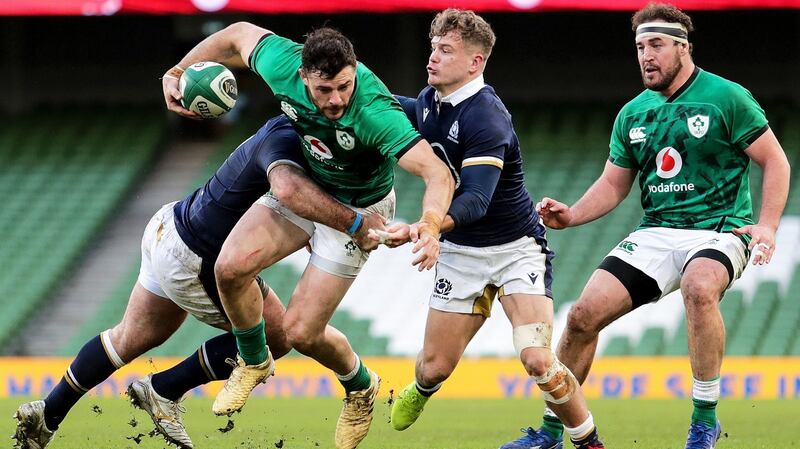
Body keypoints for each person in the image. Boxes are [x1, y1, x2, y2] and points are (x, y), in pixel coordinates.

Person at [12, 115, 386, 449]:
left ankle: (48, 412)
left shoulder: (285, 133)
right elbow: (288, 191)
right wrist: (354, 224)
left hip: (170, 224)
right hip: (197, 257)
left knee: (129, 336)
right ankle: (164, 390)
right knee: (279, 335)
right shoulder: (288, 142)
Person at [161, 24, 454, 449]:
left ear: (354, 73)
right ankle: (255, 359)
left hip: (361, 210)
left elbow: (436, 173)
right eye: (324, 90)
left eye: (343, 86)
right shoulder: (282, 62)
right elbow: (238, 34)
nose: (336, 99)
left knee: (300, 333)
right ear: (302, 77)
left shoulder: (374, 112)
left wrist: (429, 224)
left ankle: (359, 385)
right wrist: (177, 70)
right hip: (309, 188)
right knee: (230, 268)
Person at [528, 4, 791, 449]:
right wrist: (571, 215)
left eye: (655, 45)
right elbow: (614, 184)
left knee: (699, 286)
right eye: (639, 47)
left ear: (683, 47)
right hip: (656, 231)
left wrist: (766, 226)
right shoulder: (633, 113)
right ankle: (552, 432)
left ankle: (703, 420)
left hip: (720, 229)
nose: (646, 55)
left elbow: (775, 160)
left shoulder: (727, 97)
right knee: (580, 317)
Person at [379, 9, 604, 449]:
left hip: (516, 249)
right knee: (433, 368)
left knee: (540, 360)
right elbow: (395, 108)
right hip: (461, 254)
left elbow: (477, 201)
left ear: (475, 62)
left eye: (446, 50)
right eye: (432, 48)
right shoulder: (429, 101)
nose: (432, 58)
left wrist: (427, 226)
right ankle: (423, 389)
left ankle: (588, 444)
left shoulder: (486, 117)